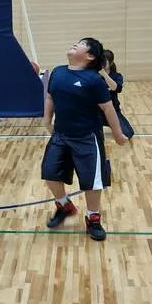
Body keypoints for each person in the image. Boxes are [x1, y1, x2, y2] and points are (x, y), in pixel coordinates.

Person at [42, 38, 128, 241]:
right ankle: (64, 206)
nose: (74, 44)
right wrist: (46, 120)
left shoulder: (93, 80)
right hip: (60, 135)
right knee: (50, 173)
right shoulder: (58, 72)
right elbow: (50, 97)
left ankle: (93, 218)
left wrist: (118, 134)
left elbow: (108, 108)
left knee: (92, 182)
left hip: (87, 138)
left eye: (80, 44)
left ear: (89, 56)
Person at [100, 49, 134, 140]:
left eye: (104, 61)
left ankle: (112, 125)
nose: (101, 63)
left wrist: (104, 74)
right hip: (96, 114)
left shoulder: (117, 76)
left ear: (110, 63)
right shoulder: (94, 76)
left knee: (128, 133)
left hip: (113, 112)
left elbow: (116, 88)